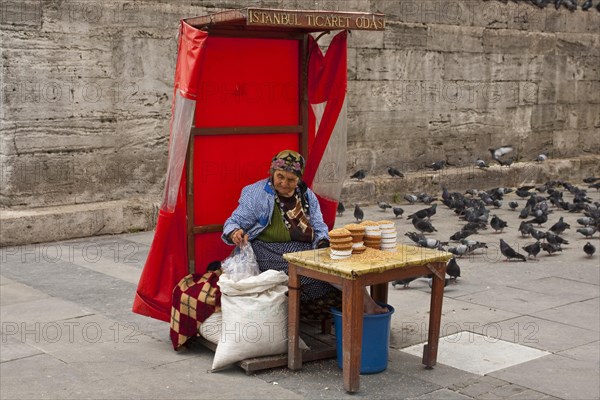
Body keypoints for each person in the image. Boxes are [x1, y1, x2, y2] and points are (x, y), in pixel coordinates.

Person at [222, 149, 387, 314]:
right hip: (268, 251)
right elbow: (234, 221)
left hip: (306, 250)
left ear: (299, 179)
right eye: (280, 176)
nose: (284, 183)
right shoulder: (257, 194)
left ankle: (365, 305)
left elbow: (318, 225)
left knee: (342, 264)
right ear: (272, 172)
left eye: (291, 179)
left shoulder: (307, 195)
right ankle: (366, 306)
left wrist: (323, 242)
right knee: (321, 274)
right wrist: (234, 232)